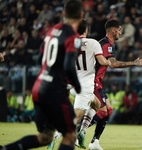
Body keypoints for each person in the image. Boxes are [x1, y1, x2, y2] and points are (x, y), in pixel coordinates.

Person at [0, 1, 83, 150]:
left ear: (64, 13)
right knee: (70, 135)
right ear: (81, 15)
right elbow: (69, 66)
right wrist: (77, 87)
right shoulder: (73, 37)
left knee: (45, 137)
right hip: (54, 91)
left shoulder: (51, 31)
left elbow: (40, 59)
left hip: (38, 88)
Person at [79, 19, 142, 150]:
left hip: (97, 82)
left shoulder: (105, 44)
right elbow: (113, 63)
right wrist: (133, 63)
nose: (120, 33)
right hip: (93, 82)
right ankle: (79, 131)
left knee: (108, 110)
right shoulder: (105, 44)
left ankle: (94, 142)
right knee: (103, 112)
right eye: (119, 30)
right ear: (114, 30)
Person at [48, 19, 111, 149]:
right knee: (76, 116)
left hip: (71, 82)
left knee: (97, 104)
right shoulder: (93, 43)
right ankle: (56, 134)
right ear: (86, 30)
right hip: (85, 85)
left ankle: (82, 132)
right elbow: (102, 61)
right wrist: (109, 62)